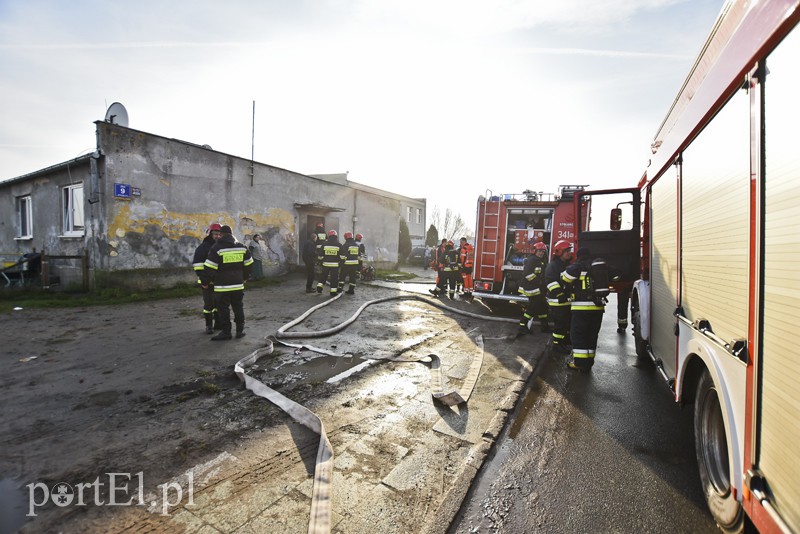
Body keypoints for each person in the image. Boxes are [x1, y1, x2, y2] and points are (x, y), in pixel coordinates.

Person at [200, 225, 253, 340]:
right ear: (232, 233)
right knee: (238, 307)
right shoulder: (242, 247)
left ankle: (226, 332)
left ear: (221, 235)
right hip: (238, 285)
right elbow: (249, 264)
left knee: (223, 309)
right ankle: (239, 331)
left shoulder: (216, 248)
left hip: (222, 287)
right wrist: (244, 277)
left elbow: (209, 267)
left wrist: (205, 282)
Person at [560, 247, 605, 370]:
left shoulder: (578, 266)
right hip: (598, 307)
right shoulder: (598, 266)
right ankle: (589, 361)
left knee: (579, 334)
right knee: (592, 334)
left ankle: (579, 363)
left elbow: (565, 278)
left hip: (581, 307)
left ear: (579, 256)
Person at [545, 240, 574, 353]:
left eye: (569, 251)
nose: (569, 253)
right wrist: (559, 294)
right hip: (557, 300)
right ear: (560, 252)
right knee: (560, 324)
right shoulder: (553, 266)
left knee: (566, 323)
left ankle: (564, 342)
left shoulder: (566, 265)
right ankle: (556, 344)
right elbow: (550, 281)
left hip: (566, 300)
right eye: (566, 251)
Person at [192, 223, 222, 334]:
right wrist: (204, 281)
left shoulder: (221, 247)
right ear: (210, 234)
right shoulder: (203, 248)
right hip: (207, 282)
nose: (217, 236)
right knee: (208, 304)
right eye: (215, 234)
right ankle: (208, 326)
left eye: (219, 234)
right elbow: (198, 266)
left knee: (219, 304)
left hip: (219, 281)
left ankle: (218, 324)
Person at [518, 241, 549, 334]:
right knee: (533, 308)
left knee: (543, 306)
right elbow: (527, 274)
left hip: (538, 288)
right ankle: (522, 326)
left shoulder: (540, 261)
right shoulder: (532, 260)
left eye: (543, 252)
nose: (541, 253)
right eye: (539, 251)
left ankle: (545, 326)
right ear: (534, 251)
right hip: (532, 288)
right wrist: (539, 282)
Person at [317, 229, 341, 297]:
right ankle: (333, 292)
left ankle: (319, 287)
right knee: (334, 278)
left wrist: (321, 262)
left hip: (325, 264)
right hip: (335, 265)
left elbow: (320, 256)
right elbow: (342, 256)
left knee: (323, 276)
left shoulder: (324, 244)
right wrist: (340, 264)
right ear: (336, 236)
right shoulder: (339, 245)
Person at [458, 237, 474, 301]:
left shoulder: (464, 249)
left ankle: (465, 293)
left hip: (464, 267)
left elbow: (462, 259)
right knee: (470, 280)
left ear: (464, 241)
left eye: (461, 242)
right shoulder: (471, 248)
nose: (460, 243)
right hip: (470, 267)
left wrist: (461, 266)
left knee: (465, 280)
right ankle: (470, 293)